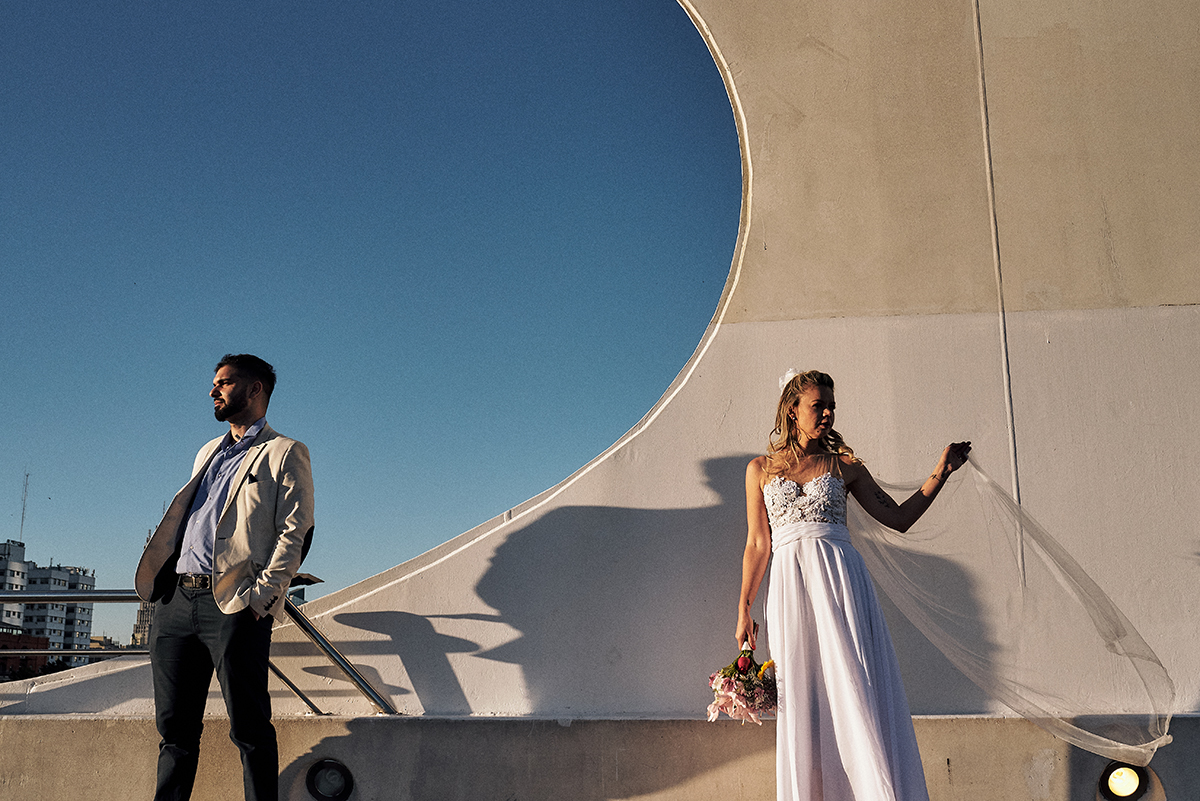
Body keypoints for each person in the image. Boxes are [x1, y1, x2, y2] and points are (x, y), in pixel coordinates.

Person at [735, 370, 969, 801]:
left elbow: (899, 518)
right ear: (793, 409)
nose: (826, 413)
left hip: (842, 583)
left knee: (852, 686)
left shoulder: (846, 468)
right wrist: (744, 608)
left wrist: (941, 472)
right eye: (817, 405)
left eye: (831, 407)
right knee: (803, 697)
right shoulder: (760, 469)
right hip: (789, 590)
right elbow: (757, 543)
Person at [135, 354, 315, 801]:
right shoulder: (206, 451)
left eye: (225, 382)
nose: (214, 390)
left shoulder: (284, 452)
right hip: (175, 602)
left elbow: (296, 532)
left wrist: (262, 599)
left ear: (255, 390)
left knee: (249, 728)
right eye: (215, 383)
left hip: (233, 605)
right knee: (174, 729)